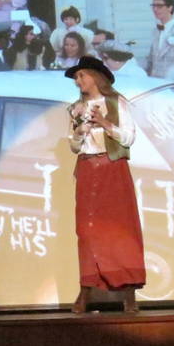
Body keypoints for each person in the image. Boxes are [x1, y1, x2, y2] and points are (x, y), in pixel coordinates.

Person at [65, 55, 145, 313]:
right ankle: (86, 289)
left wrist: (104, 123)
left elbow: (129, 138)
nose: (78, 81)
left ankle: (129, 293)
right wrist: (80, 132)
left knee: (120, 230)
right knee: (87, 231)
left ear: (95, 77)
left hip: (112, 169)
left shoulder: (116, 103)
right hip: (88, 169)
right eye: (76, 77)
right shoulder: (75, 108)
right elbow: (74, 146)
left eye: (82, 75)